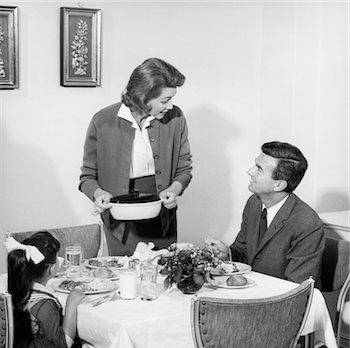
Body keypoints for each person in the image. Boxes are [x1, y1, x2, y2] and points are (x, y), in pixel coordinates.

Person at [79, 57, 193, 256]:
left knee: (163, 279)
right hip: (120, 222)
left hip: (161, 219)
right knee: (125, 280)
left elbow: (184, 169)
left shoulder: (175, 118)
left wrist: (174, 190)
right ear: (142, 97)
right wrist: (99, 194)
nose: (170, 106)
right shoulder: (102, 120)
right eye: (165, 100)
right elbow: (87, 177)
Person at [206, 141, 325, 286]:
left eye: (259, 169)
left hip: (280, 302)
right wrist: (227, 254)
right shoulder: (254, 203)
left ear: (279, 185)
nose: (250, 172)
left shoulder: (307, 223)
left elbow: (297, 288)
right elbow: (243, 252)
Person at [0, 232, 91, 348]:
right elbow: (65, 343)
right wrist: (71, 304)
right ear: (51, 269)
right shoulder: (44, 303)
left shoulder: (17, 290)